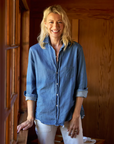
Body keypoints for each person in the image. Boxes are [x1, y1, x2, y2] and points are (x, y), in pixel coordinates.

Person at [17, 5, 88, 144]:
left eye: (59, 21)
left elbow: (81, 87)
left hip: (70, 114)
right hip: (44, 115)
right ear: (45, 24)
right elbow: (31, 88)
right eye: (51, 21)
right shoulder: (35, 52)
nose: (55, 26)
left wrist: (76, 116)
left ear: (64, 24)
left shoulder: (76, 50)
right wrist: (30, 117)